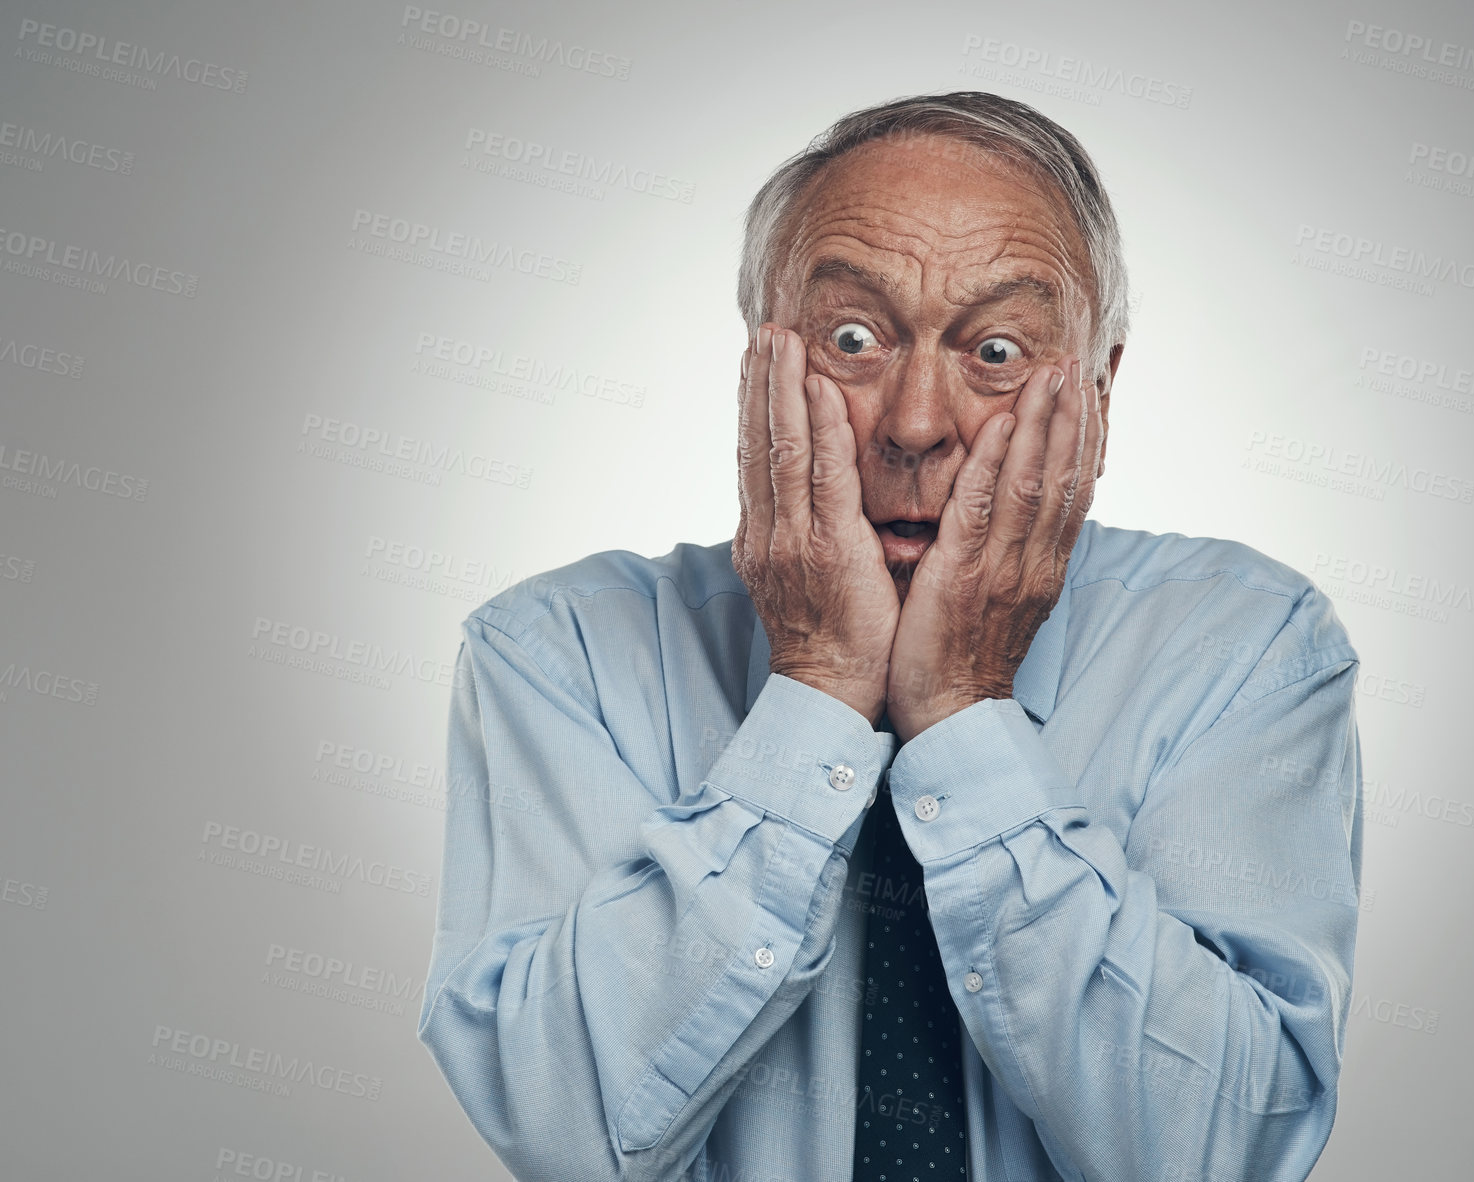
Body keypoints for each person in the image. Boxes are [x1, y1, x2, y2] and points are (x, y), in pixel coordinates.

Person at [418, 91, 1365, 1182]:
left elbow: (1219, 1150)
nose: (916, 424)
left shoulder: (1246, 646)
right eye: (853, 338)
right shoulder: (557, 654)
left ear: (1098, 394)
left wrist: (962, 709)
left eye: (996, 349)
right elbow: (570, 1134)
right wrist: (816, 687)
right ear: (756, 369)